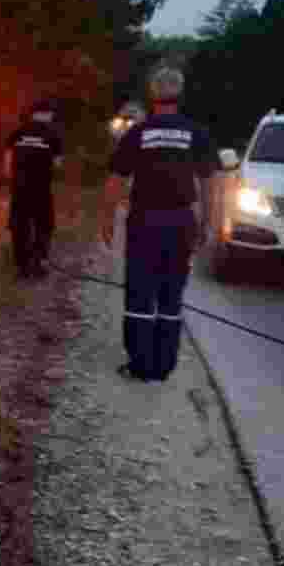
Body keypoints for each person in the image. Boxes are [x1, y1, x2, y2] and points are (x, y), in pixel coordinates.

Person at [100, 67, 220, 381]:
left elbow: (115, 180)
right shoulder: (197, 133)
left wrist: (107, 220)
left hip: (144, 221)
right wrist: (210, 222)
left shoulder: (137, 134)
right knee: (171, 295)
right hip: (181, 223)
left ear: (152, 94)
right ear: (180, 94)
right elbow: (210, 183)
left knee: (140, 292)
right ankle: (163, 366)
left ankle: (140, 363)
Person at [4, 106, 63, 278]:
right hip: (41, 188)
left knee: (19, 225)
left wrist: (12, 178)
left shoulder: (17, 133)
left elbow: (7, 160)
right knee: (43, 225)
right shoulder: (53, 135)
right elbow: (57, 164)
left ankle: (21, 266)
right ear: (48, 115)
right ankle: (39, 263)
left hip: (19, 188)